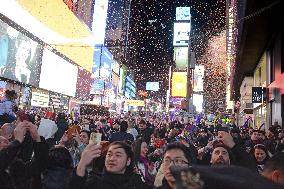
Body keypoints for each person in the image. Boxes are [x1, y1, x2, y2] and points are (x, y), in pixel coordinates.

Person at [69, 141, 152, 189]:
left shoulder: (135, 182)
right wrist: (82, 163)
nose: (112, 158)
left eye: (118, 155)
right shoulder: (95, 182)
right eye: (109, 154)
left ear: (128, 161)